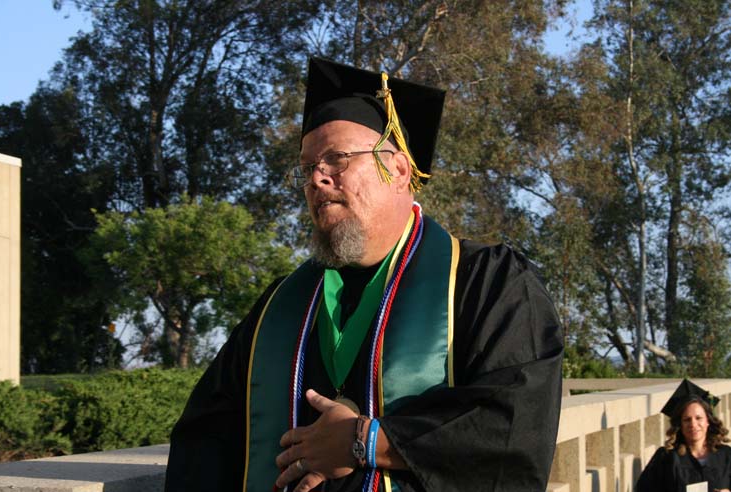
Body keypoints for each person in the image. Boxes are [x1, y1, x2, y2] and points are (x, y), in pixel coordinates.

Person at [164, 57, 564, 492]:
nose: (317, 179)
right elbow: (203, 439)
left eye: (336, 158)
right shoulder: (279, 307)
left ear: (398, 170)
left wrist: (366, 441)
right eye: (306, 168)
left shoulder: (487, 282)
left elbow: (514, 427)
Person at [636, 379, 731, 492]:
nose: (693, 424)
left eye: (698, 418)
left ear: (708, 421)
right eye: (687, 419)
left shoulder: (726, 456)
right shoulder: (666, 457)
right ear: (680, 424)